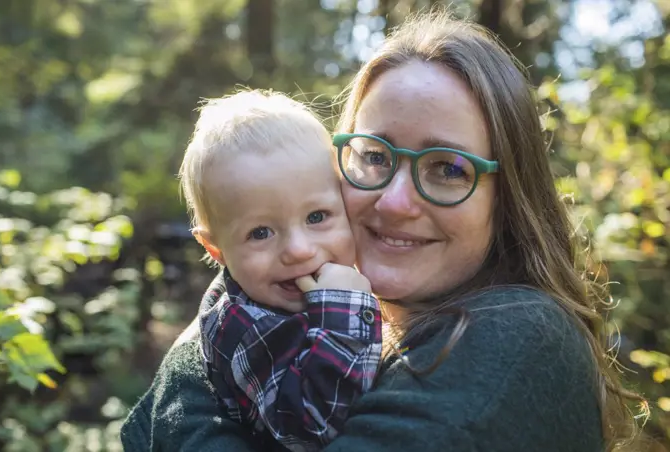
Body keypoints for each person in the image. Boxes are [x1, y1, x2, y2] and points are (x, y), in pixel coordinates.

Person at [120, 10, 646, 452]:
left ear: (507, 198)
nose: (394, 202)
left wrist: (188, 365)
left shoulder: (523, 338)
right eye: (374, 155)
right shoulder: (317, 321)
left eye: (447, 169)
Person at [176, 90, 382, 451]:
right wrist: (346, 307)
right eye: (260, 233)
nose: (299, 250)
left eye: (317, 216)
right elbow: (311, 427)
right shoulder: (245, 326)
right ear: (215, 250)